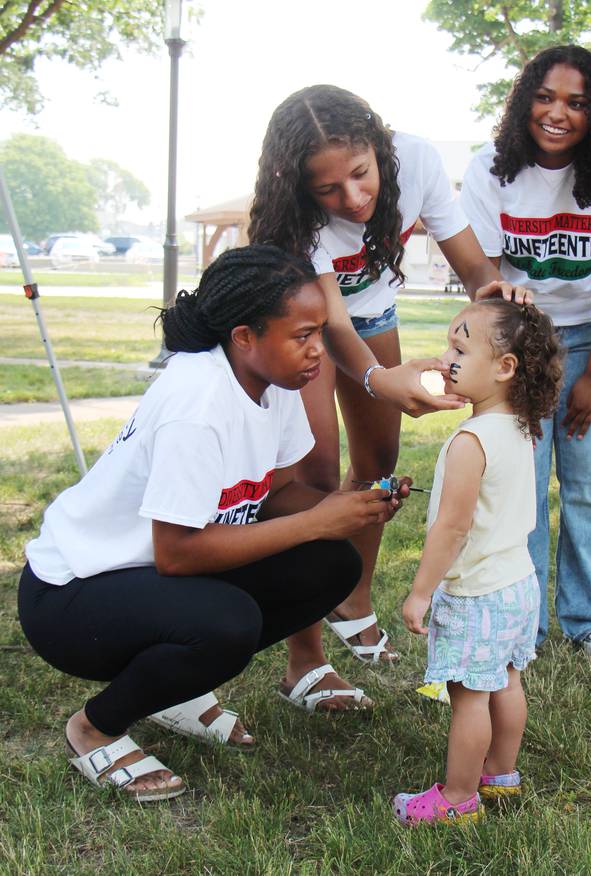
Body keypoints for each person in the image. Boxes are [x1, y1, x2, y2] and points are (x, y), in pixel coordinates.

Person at [17, 245, 408, 802]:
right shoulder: (197, 401)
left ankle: (174, 689)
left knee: (330, 564)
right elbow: (177, 552)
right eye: (302, 335)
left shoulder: (272, 383)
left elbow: (273, 494)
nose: (318, 350)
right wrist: (316, 521)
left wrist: (353, 505)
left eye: (321, 329)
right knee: (227, 622)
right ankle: (94, 727)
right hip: (70, 596)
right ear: (244, 336)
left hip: (149, 578)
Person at [247, 84, 531, 706]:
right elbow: (334, 326)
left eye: (360, 174)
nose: (352, 199)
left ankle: (352, 598)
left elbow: (473, 265)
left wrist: (496, 292)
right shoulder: (295, 223)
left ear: (379, 147)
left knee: (377, 465)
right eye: (328, 190)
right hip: (303, 326)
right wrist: (381, 379)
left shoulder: (419, 161)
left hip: (373, 316)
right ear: (301, 189)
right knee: (315, 479)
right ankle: (306, 659)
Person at [459, 45, 591, 659]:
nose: (558, 113)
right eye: (545, 97)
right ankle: (524, 623)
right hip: (518, 343)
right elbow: (481, 277)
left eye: (576, 102)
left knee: (588, 485)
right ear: (525, 101)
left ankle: (590, 619)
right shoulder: (491, 168)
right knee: (520, 484)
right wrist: (506, 320)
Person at [395, 298, 562, 824]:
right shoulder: (520, 428)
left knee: (469, 697)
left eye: (460, 348)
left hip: (478, 595)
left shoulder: (470, 441)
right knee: (507, 680)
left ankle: (457, 798)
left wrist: (421, 591)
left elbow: (453, 527)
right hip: (518, 584)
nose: (446, 358)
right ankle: (501, 775)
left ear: (505, 367)